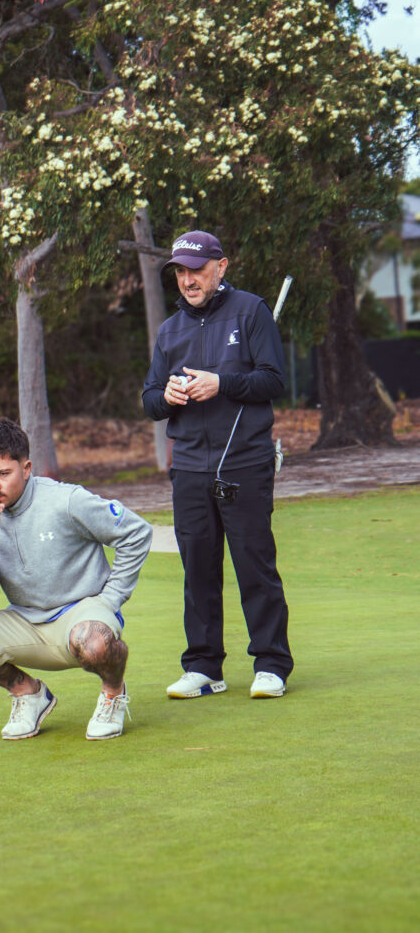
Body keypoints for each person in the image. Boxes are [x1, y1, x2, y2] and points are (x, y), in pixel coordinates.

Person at [142, 229, 294, 700]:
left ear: (220, 267)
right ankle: (204, 667)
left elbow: (273, 380)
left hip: (244, 461)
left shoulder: (251, 311)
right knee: (198, 570)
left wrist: (221, 383)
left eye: (197, 270)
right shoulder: (170, 330)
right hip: (190, 467)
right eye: (181, 272)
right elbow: (149, 399)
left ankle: (271, 664)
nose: (188, 280)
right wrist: (167, 396)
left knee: (254, 565)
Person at [0, 417, 153, 741]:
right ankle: (29, 694)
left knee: (95, 642)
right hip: (24, 620)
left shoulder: (66, 500)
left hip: (82, 615)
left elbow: (136, 533)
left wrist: (111, 598)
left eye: (2, 474)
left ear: (26, 469)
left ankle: (113, 694)